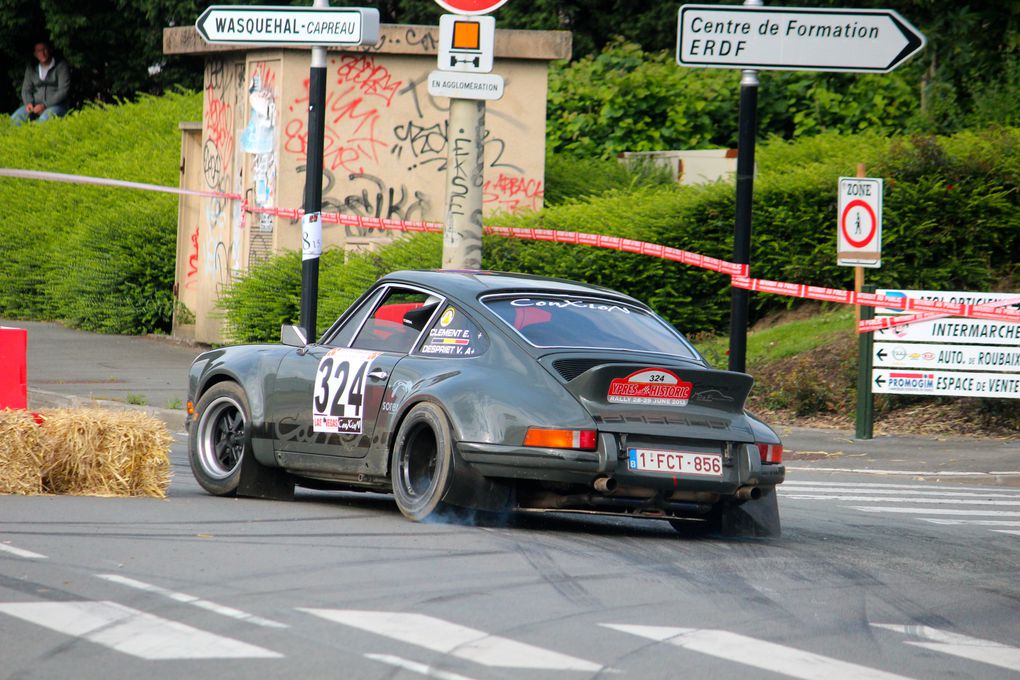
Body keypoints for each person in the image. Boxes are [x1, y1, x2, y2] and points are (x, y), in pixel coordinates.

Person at [11, 41, 70, 125]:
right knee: (14, 120)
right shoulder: (31, 68)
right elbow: (26, 89)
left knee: (42, 121)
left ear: (50, 50)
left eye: (44, 49)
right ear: (35, 54)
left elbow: (63, 91)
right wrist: (28, 103)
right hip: (34, 106)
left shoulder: (61, 66)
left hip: (57, 106)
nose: (42, 53)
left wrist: (44, 105)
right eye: (39, 51)